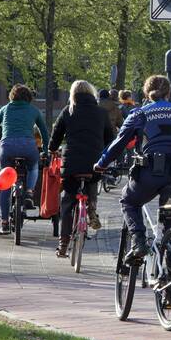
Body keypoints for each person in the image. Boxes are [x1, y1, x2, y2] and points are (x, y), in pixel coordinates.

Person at [95, 75, 171, 261]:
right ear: (169, 92)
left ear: (146, 93)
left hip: (152, 172)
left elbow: (119, 143)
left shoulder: (140, 113)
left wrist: (102, 163)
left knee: (129, 201)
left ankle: (139, 241)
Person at [48, 80, 115, 256]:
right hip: (95, 162)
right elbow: (111, 138)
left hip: (71, 164)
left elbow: (56, 135)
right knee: (92, 179)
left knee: (68, 201)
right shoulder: (101, 113)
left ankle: (63, 245)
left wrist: (52, 149)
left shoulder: (68, 111)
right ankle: (91, 206)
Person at [0, 84, 50, 234]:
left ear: (12, 96)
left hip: (8, 148)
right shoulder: (34, 110)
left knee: (5, 183)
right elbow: (44, 133)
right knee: (33, 167)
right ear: (29, 98)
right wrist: (45, 150)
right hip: (28, 147)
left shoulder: (5, 109)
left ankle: (4, 223)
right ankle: (30, 192)